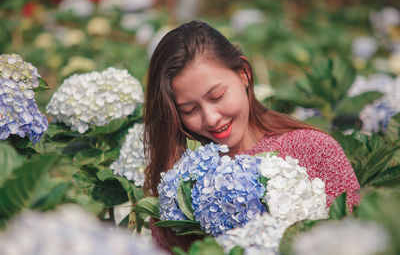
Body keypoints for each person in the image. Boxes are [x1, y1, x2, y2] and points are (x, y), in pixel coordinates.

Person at [143, 20, 360, 252]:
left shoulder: (314, 148)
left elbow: (361, 239)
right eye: (189, 110)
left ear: (243, 74)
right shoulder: (179, 186)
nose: (211, 118)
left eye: (217, 96)